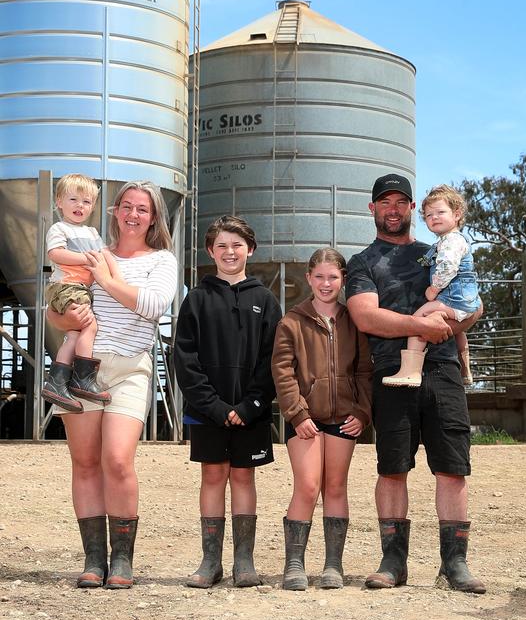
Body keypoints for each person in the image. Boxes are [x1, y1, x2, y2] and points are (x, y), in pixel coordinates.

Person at [345, 173, 485, 593]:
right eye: (384, 202)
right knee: (392, 469)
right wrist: (420, 324)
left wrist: (451, 318)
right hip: (391, 374)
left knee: (452, 468)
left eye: (401, 202)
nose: (393, 209)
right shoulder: (363, 262)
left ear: (411, 210)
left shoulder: (439, 250)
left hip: (442, 371)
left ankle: (455, 565)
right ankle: (393, 562)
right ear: (373, 210)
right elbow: (365, 316)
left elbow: (474, 305)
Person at [47, 180, 178, 589]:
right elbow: (58, 311)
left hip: (129, 369)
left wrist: (105, 279)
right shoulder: (92, 252)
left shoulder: (162, 260)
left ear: (154, 216)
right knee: (84, 463)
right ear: (115, 211)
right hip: (86, 365)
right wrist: (66, 319)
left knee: (118, 460)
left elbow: (155, 305)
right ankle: (93, 560)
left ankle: (122, 559)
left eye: (143, 209)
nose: (133, 215)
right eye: (126, 206)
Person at [174, 215, 281, 589]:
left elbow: (275, 359)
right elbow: (185, 360)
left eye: (237, 245)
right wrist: (216, 407)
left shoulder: (265, 300)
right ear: (210, 251)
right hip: (208, 412)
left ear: (250, 249)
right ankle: (210, 561)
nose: (229, 252)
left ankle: (244, 561)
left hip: (251, 410)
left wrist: (251, 405)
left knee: (243, 477)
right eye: (221, 246)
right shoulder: (196, 300)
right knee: (213, 475)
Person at [272, 248, 372, 590]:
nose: (326, 284)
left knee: (336, 487)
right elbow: (283, 372)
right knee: (308, 485)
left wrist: (362, 411)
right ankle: (295, 564)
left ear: (343, 279)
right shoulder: (292, 321)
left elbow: (363, 370)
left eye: (333, 277)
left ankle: (333, 565)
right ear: (308, 278)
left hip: (344, 418)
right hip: (306, 420)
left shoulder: (354, 321)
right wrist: (297, 413)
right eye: (319, 277)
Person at [382, 184, 481, 388]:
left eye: (440, 212)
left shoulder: (451, 242)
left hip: (454, 299)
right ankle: (465, 370)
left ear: (456, 214)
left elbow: (446, 267)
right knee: (458, 332)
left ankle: (411, 371)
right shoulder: (446, 241)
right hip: (465, 300)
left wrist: (433, 290)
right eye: (428, 215)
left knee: (419, 320)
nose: (434, 217)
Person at [41, 173, 110, 413]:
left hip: (81, 289)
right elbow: (55, 254)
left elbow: (105, 256)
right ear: (59, 201)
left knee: (73, 335)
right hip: (67, 286)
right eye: (73, 199)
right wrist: (86, 259)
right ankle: (83, 379)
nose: (80, 206)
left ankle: (57, 383)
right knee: (90, 326)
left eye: (86, 202)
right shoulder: (59, 228)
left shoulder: (92, 233)